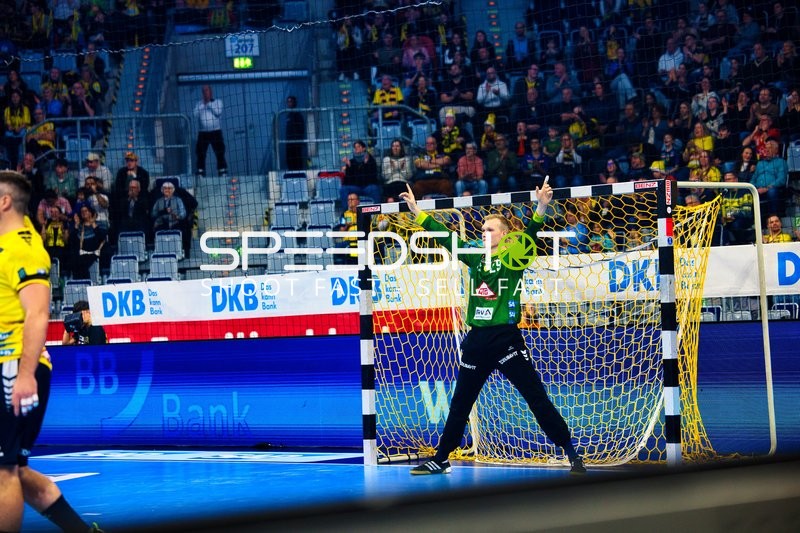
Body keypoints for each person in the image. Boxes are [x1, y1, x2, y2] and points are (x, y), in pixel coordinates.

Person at [399, 181, 586, 475]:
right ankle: (441, 457)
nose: (484, 234)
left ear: (504, 234)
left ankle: (571, 452)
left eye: (490, 230)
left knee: (535, 397)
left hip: (506, 339)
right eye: (483, 230)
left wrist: (541, 208)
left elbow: (530, 234)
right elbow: (446, 238)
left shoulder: (514, 258)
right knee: (461, 401)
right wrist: (417, 211)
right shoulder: (475, 256)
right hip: (477, 340)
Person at [0, 171, 99, 533]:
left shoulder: (23, 248)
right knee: (15, 468)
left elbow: (39, 313)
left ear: (4, 201)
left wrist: (25, 374)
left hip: (15, 365)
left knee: (4, 470)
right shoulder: (6, 243)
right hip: (10, 364)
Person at [193, 85, 228, 178]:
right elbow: (195, 114)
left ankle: (222, 172)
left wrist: (208, 104)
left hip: (215, 132)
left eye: (207, 90)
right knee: (200, 153)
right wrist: (203, 105)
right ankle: (200, 173)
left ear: (211, 92)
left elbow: (218, 112)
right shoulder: (199, 104)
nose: (205, 93)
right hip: (203, 133)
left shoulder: (217, 102)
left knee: (220, 152)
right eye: (203, 91)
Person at [340, 140, 381, 204]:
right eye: (355, 147)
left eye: (358, 146)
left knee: (374, 188)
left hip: (368, 187)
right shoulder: (351, 162)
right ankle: (345, 212)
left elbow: (372, 178)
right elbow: (347, 181)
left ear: (364, 148)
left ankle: (377, 211)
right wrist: (349, 167)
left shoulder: (371, 160)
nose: (356, 148)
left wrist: (366, 164)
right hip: (356, 187)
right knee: (344, 189)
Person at [284, 95, 306, 170]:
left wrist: (298, 141)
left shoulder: (298, 115)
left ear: (294, 103)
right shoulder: (288, 115)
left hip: (296, 143)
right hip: (289, 143)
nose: (289, 103)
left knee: (297, 160)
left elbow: (301, 129)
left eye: (291, 101)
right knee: (289, 160)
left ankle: (298, 175)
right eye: (288, 102)